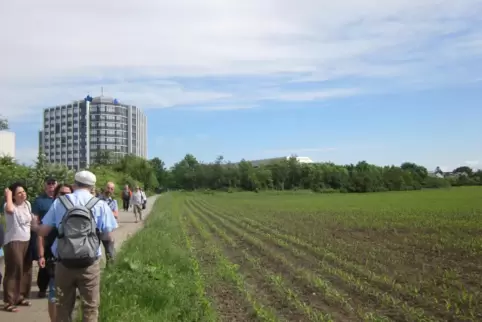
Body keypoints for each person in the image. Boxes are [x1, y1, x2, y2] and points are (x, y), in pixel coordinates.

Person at [32, 171, 118, 322]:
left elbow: (44, 231)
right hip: (89, 263)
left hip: (63, 262)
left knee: (63, 307)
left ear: (74, 184)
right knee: (90, 308)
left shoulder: (60, 202)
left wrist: (33, 225)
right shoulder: (100, 204)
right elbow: (108, 237)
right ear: (93, 187)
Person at [37, 183, 72, 322]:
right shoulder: (53, 209)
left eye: (68, 194)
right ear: (56, 195)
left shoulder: (76, 210)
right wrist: (41, 255)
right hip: (54, 256)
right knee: (53, 292)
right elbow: (41, 235)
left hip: (72, 257)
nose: (65, 196)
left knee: (69, 293)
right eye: (62, 194)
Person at [3, 182, 34, 313]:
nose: (23, 194)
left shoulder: (27, 205)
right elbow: (10, 210)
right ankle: (9, 301)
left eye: (24, 191)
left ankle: (21, 296)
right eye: (19, 193)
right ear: (14, 196)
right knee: (14, 270)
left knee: (26, 269)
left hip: (27, 239)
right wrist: (8, 196)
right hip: (13, 241)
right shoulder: (8, 205)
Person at [31, 176, 57, 298]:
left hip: (58, 235)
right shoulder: (39, 201)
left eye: (53, 183)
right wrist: (37, 230)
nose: (51, 185)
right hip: (45, 236)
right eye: (49, 183)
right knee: (44, 262)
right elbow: (34, 219)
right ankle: (42, 288)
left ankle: (59, 287)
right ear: (45, 185)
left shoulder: (60, 199)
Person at [98, 182, 118, 266]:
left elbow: (116, 215)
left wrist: (104, 211)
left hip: (107, 230)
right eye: (108, 188)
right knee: (93, 252)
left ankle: (110, 270)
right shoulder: (96, 199)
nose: (109, 190)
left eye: (111, 189)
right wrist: (109, 212)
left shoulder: (114, 202)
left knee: (110, 251)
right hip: (96, 229)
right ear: (105, 188)